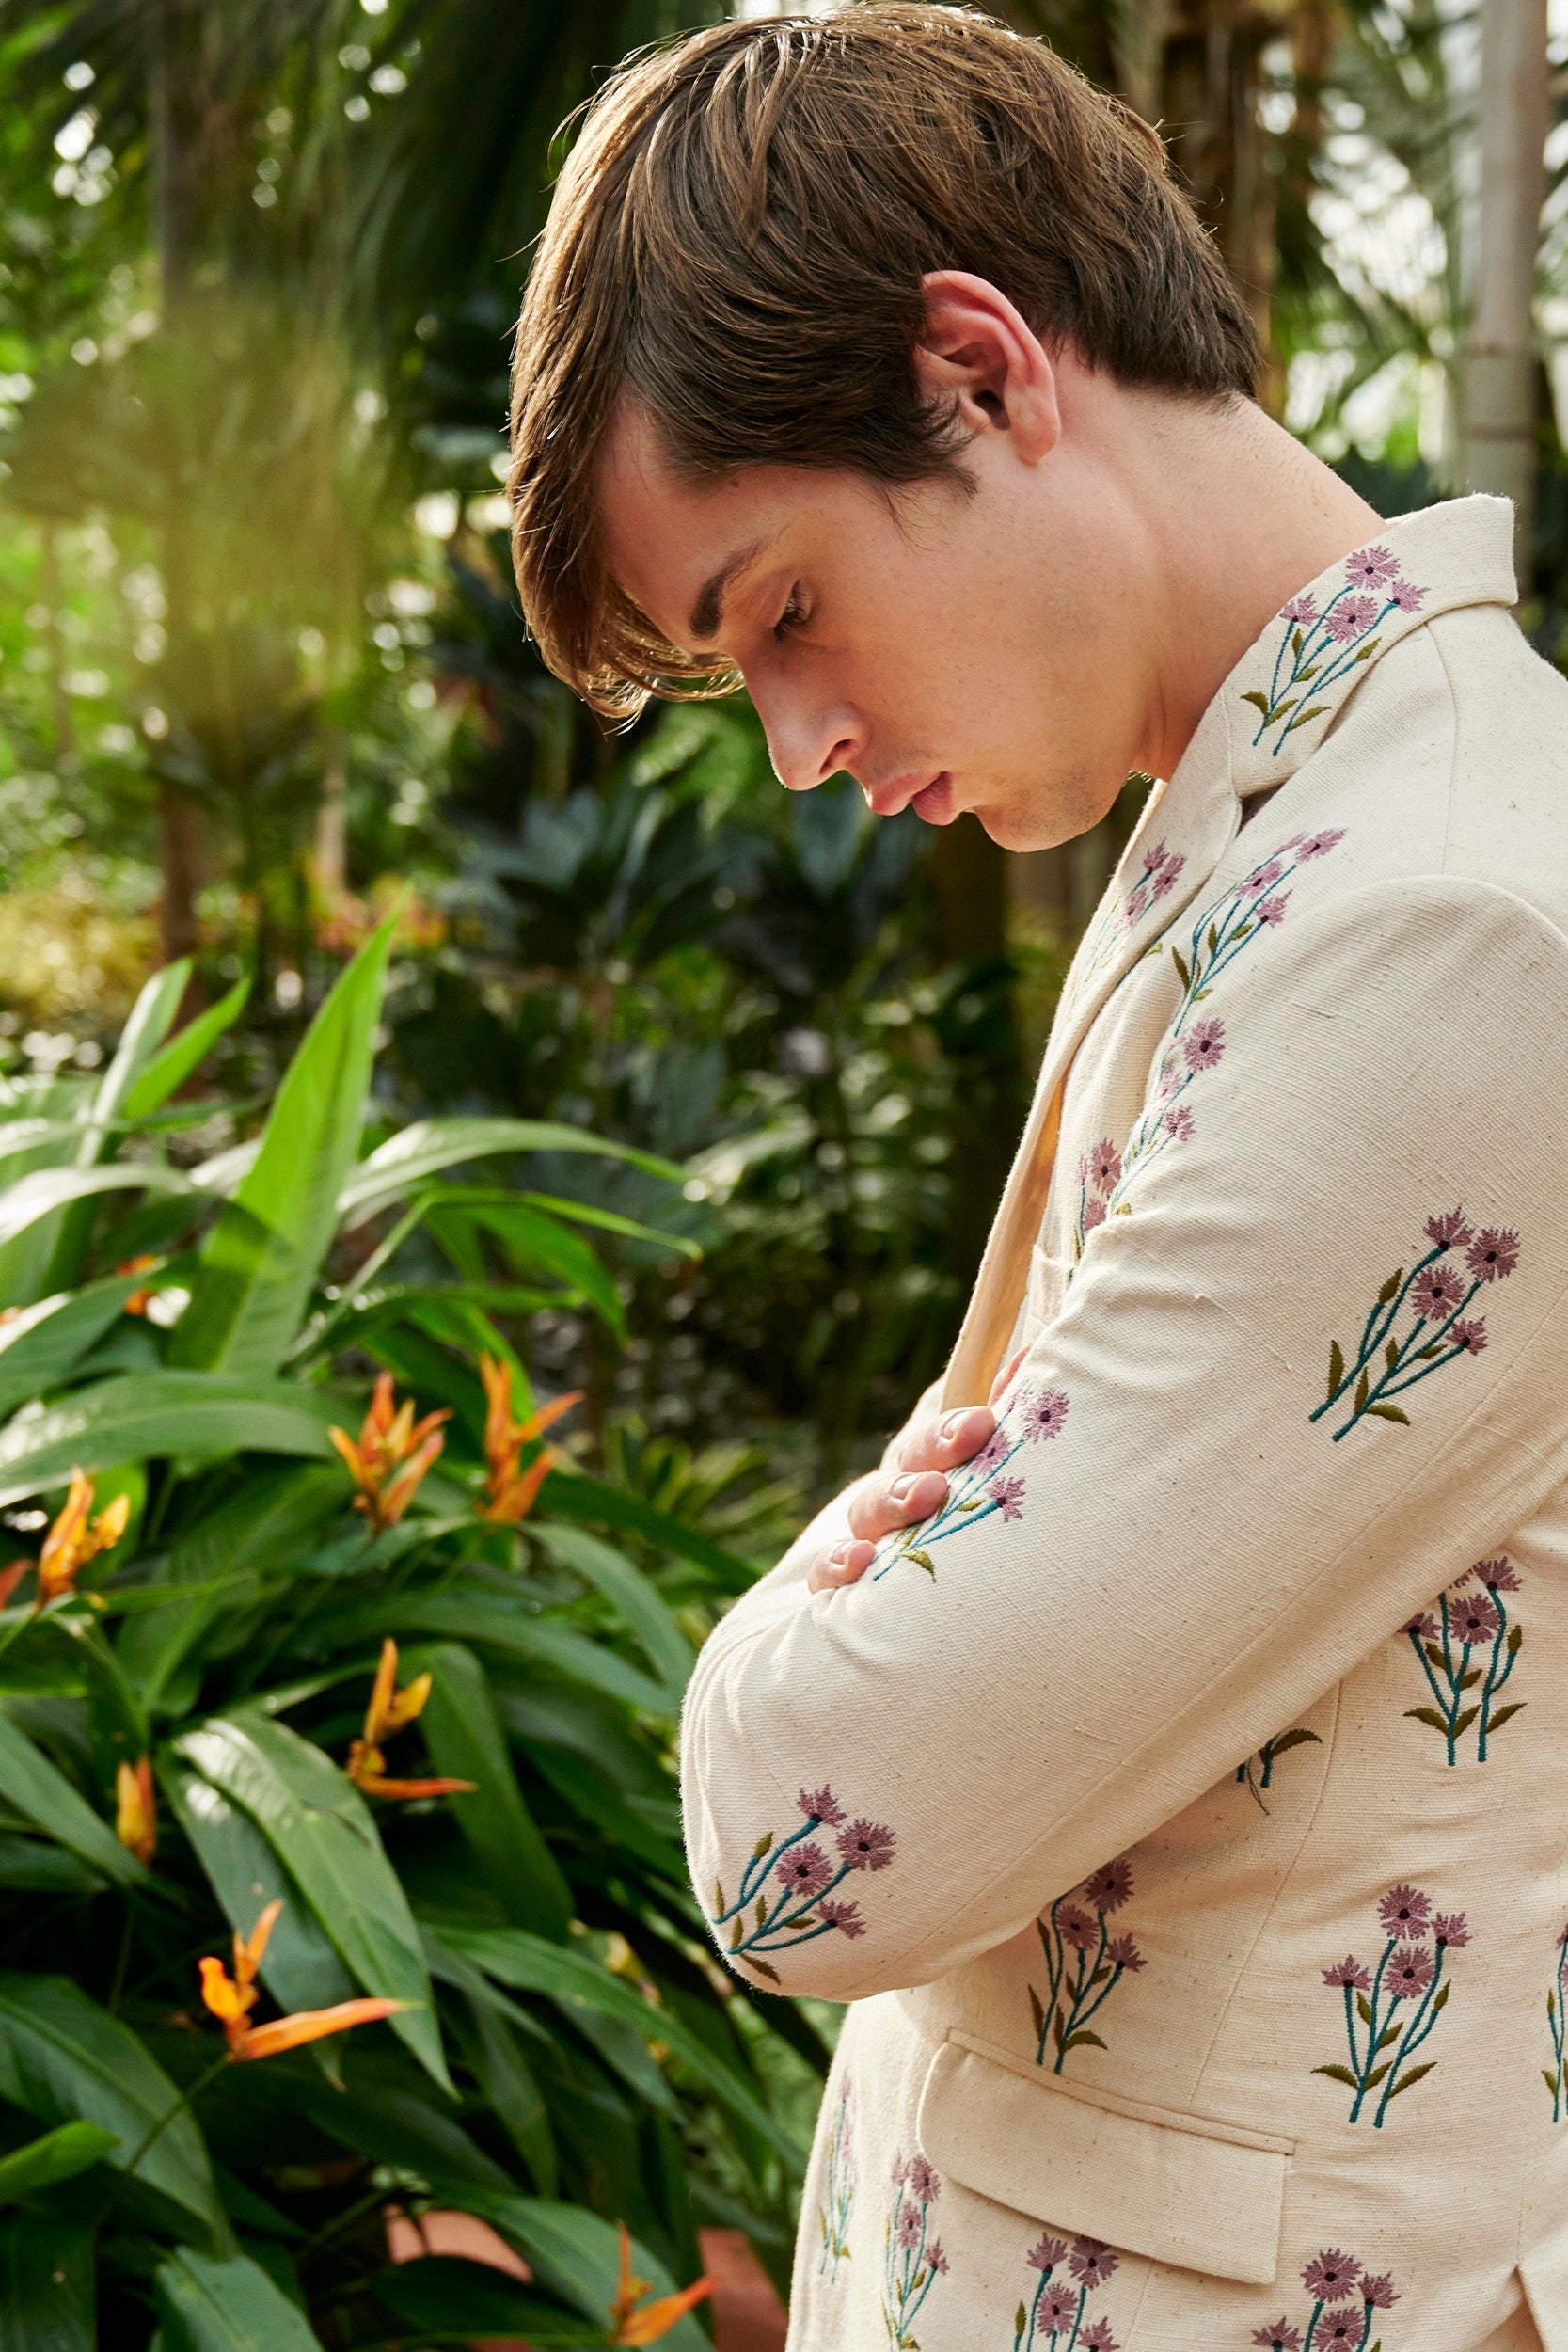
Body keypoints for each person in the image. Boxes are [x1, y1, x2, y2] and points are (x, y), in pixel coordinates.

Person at [503, 8, 1568, 2346]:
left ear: (982, 371)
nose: (804, 750)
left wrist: (787, 1627)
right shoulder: (1274, 823)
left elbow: (816, 1836)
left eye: (780, 610)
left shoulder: (1448, 920)